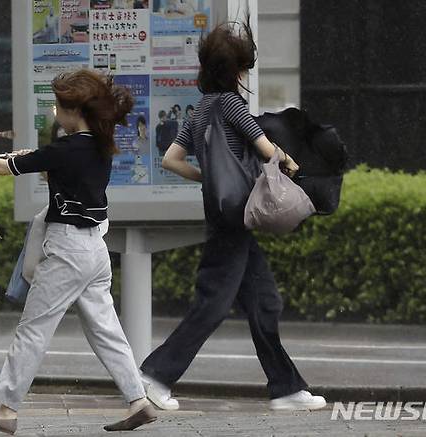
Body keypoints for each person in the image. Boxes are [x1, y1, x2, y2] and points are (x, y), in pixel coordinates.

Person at [139, 17, 327, 412]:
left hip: (224, 214)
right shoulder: (231, 105)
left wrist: (206, 177)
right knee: (212, 302)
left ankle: (286, 388)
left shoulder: (200, 109)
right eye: (244, 66)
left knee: (263, 301)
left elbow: (171, 159)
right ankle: (155, 375)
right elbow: (267, 150)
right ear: (237, 71)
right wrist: (294, 168)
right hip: (235, 216)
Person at [0, 69, 157, 435]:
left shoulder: (66, 150)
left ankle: (5, 408)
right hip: (95, 249)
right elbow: (35, 160)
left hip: (68, 250)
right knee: (106, 330)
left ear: (72, 112)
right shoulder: (100, 144)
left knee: (33, 329)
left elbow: (6, 168)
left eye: (57, 106)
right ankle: (139, 400)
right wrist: (33, 156)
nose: (54, 112)